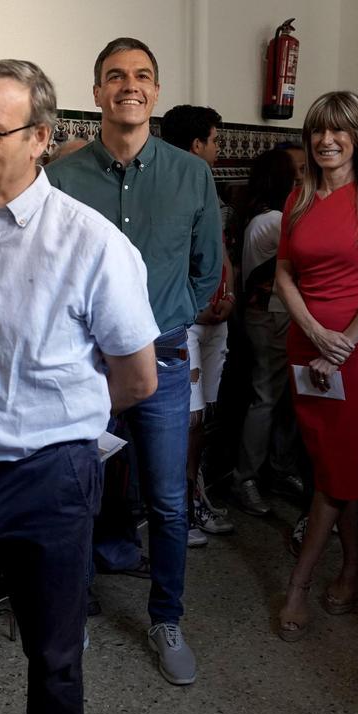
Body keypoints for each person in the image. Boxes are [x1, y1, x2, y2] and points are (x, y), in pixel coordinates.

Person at [0, 59, 159, 714]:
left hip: (49, 481)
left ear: (39, 138)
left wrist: (58, 425)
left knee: (53, 658)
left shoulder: (92, 245)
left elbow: (138, 378)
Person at [47, 37, 222, 687]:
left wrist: (168, 318)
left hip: (166, 363)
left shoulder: (191, 174)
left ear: (156, 91)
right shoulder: (62, 178)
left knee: (170, 502)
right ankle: (70, 610)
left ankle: (166, 616)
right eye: (115, 76)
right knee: (75, 494)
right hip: (84, 369)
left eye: (142, 75)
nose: (129, 85)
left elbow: (208, 270)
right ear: (95, 92)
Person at [274, 90, 358, 641]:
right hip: (307, 349)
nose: (327, 141)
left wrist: (343, 343)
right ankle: (353, 566)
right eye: (317, 131)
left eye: (339, 131)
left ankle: (298, 585)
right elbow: (284, 274)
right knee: (330, 465)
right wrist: (314, 334)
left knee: (337, 469)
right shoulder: (298, 198)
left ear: (355, 136)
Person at [157, 103, 236, 541]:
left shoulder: (208, 187)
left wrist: (230, 295)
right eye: (215, 140)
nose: (219, 149)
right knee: (183, 420)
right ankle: (179, 510)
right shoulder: (163, 188)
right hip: (183, 322)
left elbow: (219, 251)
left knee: (202, 415)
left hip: (214, 320)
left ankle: (196, 498)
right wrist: (195, 305)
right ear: (196, 144)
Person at [234, 148, 304, 526]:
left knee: (280, 397)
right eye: (297, 175)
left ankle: (277, 470)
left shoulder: (262, 215)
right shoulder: (275, 220)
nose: (303, 180)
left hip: (272, 314)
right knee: (266, 397)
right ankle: (247, 478)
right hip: (271, 315)